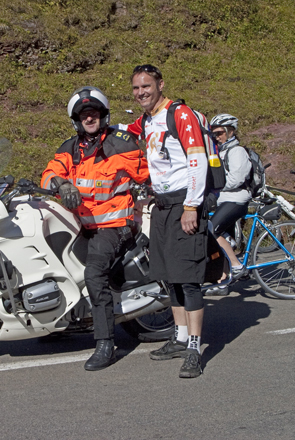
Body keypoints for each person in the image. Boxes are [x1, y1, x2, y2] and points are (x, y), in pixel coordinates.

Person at [40, 86, 149, 372]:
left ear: (103, 115)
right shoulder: (69, 148)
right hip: (82, 225)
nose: (90, 118)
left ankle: (105, 344)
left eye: (94, 113)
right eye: (85, 115)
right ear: (77, 120)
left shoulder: (121, 144)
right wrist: (60, 184)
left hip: (113, 226)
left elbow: (150, 173)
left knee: (94, 273)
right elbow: (49, 173)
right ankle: (57, 323)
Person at [120, 64, 210, 379]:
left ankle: (194, 348)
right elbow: (122, 132)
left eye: (146, 86)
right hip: (161, 206)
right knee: (169, 277)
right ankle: (180, 336)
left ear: (160, 85)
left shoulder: (179, 114)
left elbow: (197, 158)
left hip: (184, 203)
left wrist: (191, 207)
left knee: (188, 278)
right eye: (136, 88)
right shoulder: (146, 120)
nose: (141, 92)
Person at [207, 113, 252, 296]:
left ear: (230, 131)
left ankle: (237, 265)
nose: (216, 137)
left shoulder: (237, 152)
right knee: (220, 240)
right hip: (224, 199)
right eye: (214, 134)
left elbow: (236, 178)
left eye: (220, 133)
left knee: (212, 230)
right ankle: (222, 281)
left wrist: (214, 186)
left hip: (237, 199)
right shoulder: (220, 151)